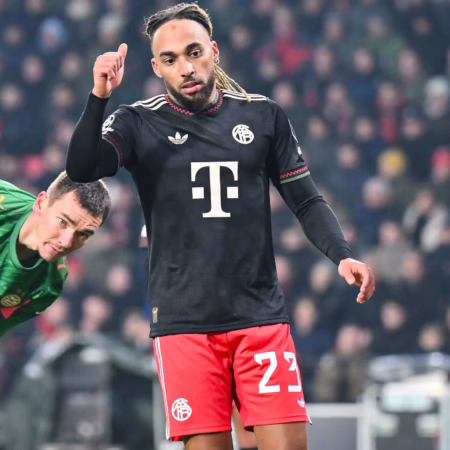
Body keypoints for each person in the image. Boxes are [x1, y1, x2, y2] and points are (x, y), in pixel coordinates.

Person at [66, 3, 375, 449]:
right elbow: (81, 168)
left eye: (194, 52)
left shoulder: (263, 116)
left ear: (214, 51)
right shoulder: (137, 121)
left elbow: (306, 200)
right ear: (156, 68)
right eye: (170, 59)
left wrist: (341, 255)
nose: (185, 67)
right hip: (185, 326)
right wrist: (99, 96)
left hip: (259, 319)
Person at [0, 172, 110, 337]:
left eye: (83, 234)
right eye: (63, 222)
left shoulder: (51, 283)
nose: (66, 242)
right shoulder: (4, 203)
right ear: (41, 204)